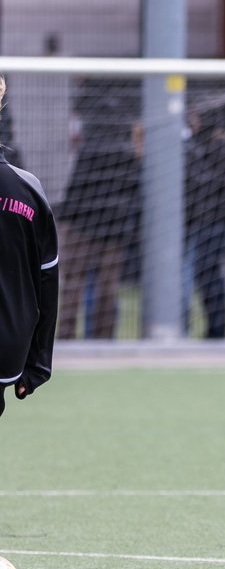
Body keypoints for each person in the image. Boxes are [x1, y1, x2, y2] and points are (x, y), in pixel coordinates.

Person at [56, 92, 141, 340]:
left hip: (80, 228)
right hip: (114, 233)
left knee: (72, 287)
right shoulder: (128, 153)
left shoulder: (89, 149)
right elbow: (133, 192)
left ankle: (66, 337)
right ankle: (104, 339)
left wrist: (65, 219)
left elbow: (75, 189)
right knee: (107, 290)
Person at [0, 75, 60, 417]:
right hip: (8, 348)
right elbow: (47, 281)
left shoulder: (31, 189)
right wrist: (40, 361)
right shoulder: (28, 189)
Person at [184, 110, 225, 339]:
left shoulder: (220, 146)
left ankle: (217, 329)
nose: (192, 122)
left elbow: (210, 184)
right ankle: (214, 327)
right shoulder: (206, 144)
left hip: (216, 222)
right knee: (206, 276)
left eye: (195, 118)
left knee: (210, 276)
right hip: (207, 222)